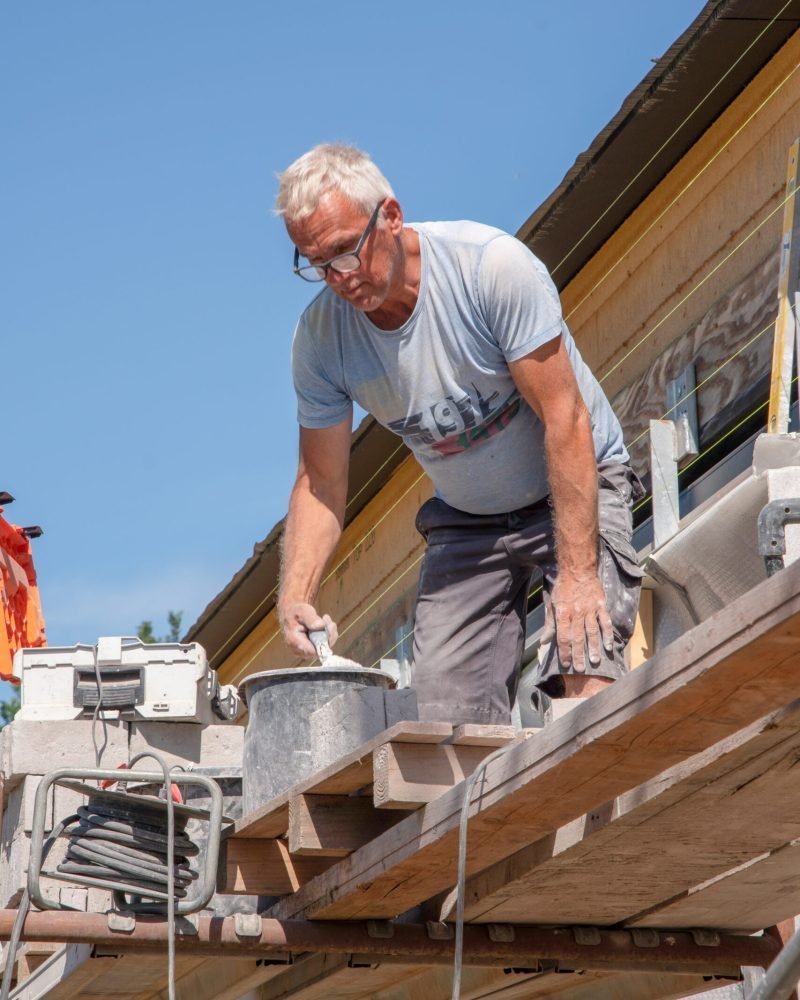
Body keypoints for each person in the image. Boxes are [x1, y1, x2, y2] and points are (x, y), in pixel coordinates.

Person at [275, 142, 643, 726]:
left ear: (390, 216)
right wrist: (296, 593)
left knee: (583, 663)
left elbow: (565, 419)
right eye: (315, 264)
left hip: (574, 492)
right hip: (468, 521)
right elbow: (320, 482)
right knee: (445, 730)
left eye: (345, 252)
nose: (338, 278)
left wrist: (576, 575)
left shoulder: (489, 267)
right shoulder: (321, 340)